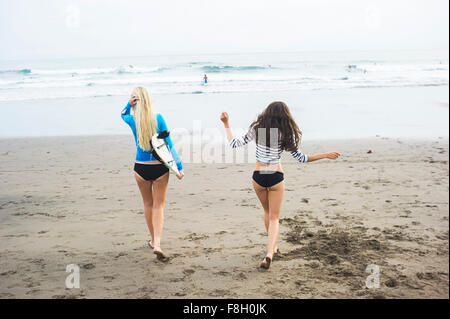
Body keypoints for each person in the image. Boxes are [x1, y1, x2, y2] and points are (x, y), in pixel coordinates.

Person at [220, 102, 340, 269]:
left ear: (266, 114)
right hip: (276, 177)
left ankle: (273, 247)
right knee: (275, 217)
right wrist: (325, 155)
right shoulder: (285, 133)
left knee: (267, 212)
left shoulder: (257, 129)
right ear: (285, 116)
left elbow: (233, 143)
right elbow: (302, 158)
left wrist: (226, 124)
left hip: (258, 177)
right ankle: (270, 252)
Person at [121, 87, 184, 260]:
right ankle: (157, 242)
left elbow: (122, 114)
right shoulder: (158, 118)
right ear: (149, 100)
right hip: (159, 167)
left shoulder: (132, 120)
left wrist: (129, 103)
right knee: (159, 206)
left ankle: (151, 239)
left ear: (137, 102)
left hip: (140, 168)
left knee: (148, 204)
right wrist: (178, 166)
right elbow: (168, 143)